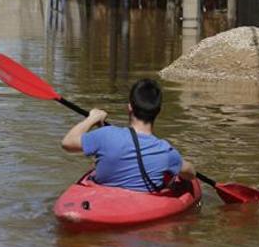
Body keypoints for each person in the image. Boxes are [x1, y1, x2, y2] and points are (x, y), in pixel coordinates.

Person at [60, 79, 195, 192]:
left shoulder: (105, 135)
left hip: (99, 203)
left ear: (129, 107)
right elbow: (190, 174)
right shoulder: (166, 152)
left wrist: (92, 118)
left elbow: (67, 143)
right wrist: (181, 166)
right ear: (158, 111)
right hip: (140, 207)